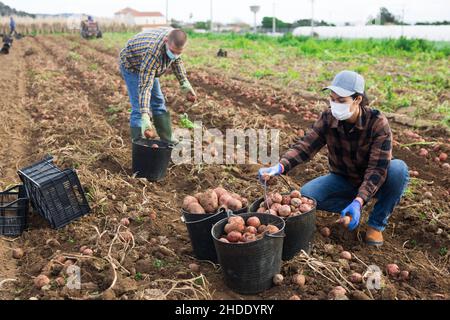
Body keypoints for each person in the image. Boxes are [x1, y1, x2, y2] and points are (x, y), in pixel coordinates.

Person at [258, 70, 409, 246]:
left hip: (375, 182)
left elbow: (377, 169)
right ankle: (353, 207)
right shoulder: (328, 117)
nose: (335, 104)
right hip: (343, 178)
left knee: (398, 170)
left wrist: (360, 199)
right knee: (307, 196)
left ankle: (375, 224)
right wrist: (279, 167)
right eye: (332, 99)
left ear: (357, 99)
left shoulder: (377, 123)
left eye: (341, 100)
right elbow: (306, 146)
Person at [119, 28, 196, 143]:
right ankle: (139, 143)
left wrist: (184, 83)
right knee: (139, 109)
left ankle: (167, 138)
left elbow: (176, 61)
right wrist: (145, 114)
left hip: (147, 64)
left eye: (178, 52)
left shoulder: (174, 40)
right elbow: (145, 88)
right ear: (166, 41)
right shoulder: (152, 53)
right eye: (172, 51)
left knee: (158, 100)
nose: (175, 55)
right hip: (132, 66)